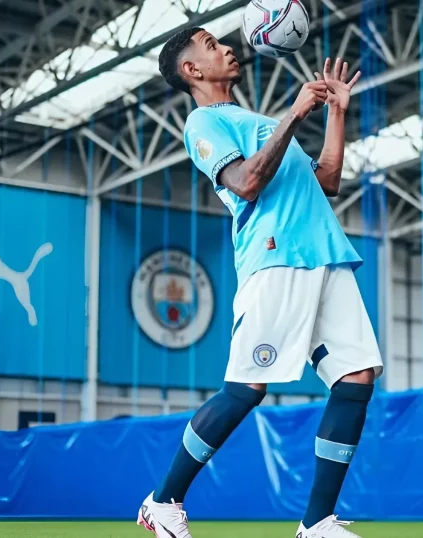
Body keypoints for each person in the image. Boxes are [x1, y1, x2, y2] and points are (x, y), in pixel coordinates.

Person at [136, 27, 382, 538]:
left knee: (357, 377)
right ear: (192, 70)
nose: (227, 47)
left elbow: (327, 181)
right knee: (246, 388)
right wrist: (294, 114)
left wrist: (336, 113)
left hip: (326, 255)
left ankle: (316, 523)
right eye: (211, 45)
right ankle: (163, 501)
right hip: (275, 258)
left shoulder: (260, 123)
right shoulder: (204, 122)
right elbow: (245, 183)